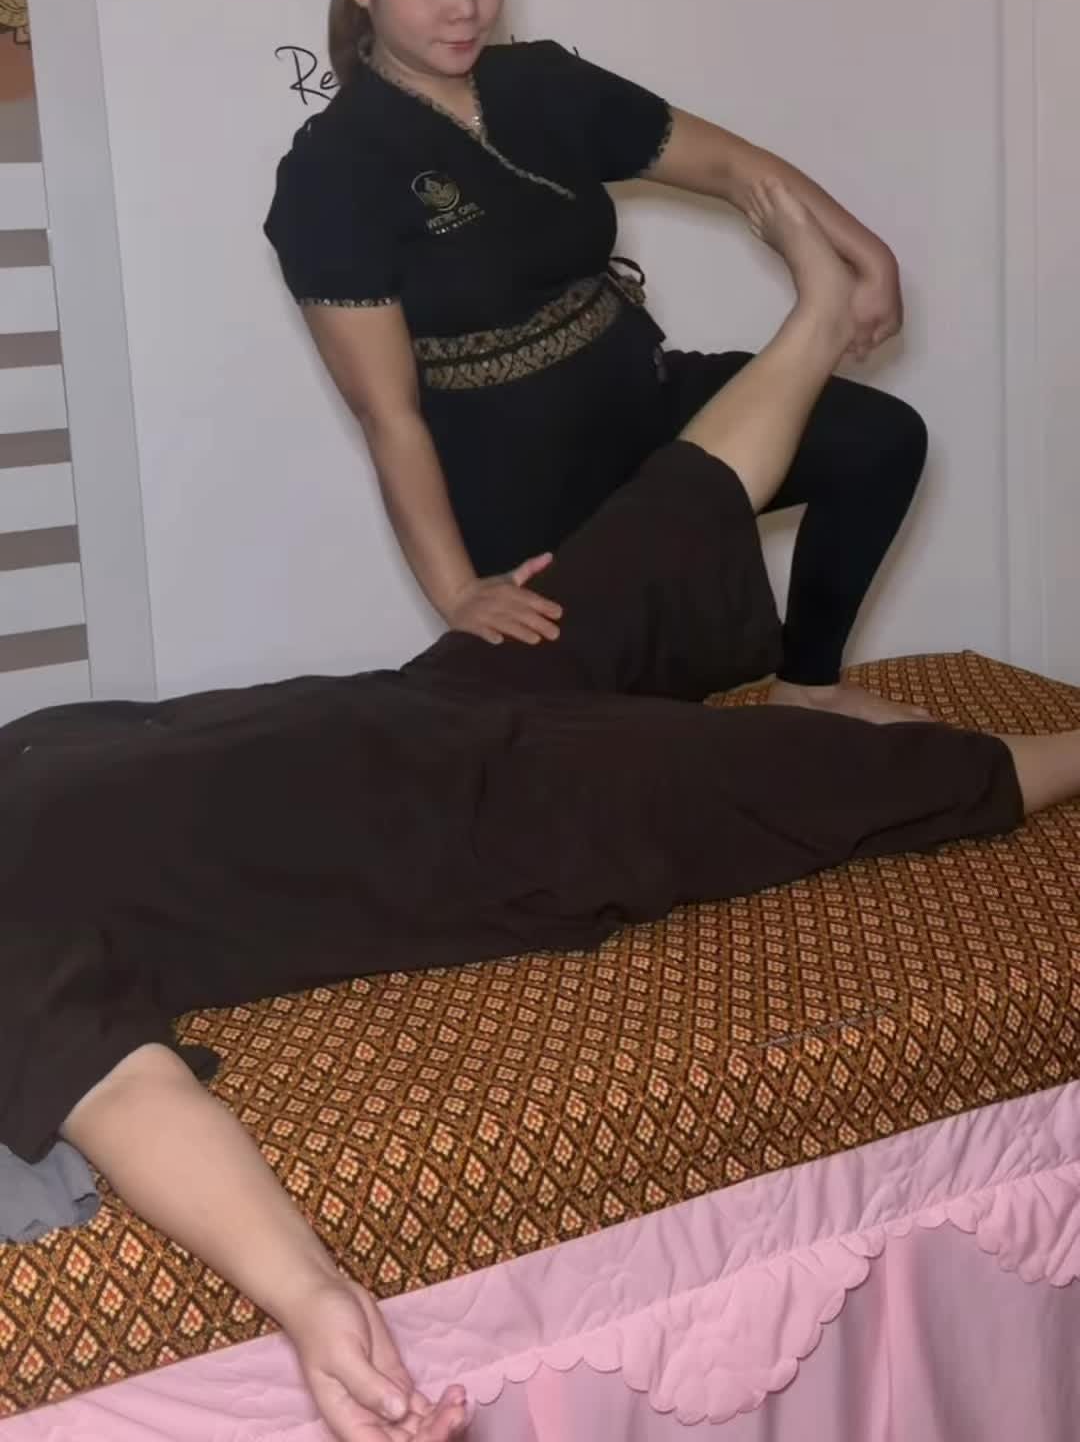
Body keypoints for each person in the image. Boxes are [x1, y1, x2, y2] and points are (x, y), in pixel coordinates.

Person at [5, 189, 1080, 1442]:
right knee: (842, 780)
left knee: (662, 518)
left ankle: (821, 317)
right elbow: (127, 1095)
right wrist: (309, 1294)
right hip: (501, 825)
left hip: (434, 698)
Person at [265, 0, 929, 727]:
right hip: (524, 489)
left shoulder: (542, 83)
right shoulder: (333, 171)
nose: (466, 7)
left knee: (879, 440)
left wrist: (866, 253)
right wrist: (459, 591)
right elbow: (390, 416)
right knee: (635, 734)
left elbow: (732, 166)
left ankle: (809, 686)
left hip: (642, 410)